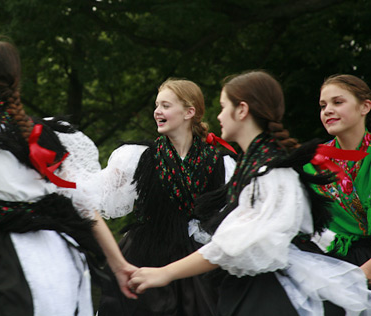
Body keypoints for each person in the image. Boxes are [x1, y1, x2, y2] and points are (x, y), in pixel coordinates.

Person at [127, 70, 371, 315]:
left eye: (223, 107)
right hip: (253, 290)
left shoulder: (271, 172)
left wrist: (165, 272)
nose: (219, 116)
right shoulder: (254, 167)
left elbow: (234, 245)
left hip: (268, 295)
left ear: (242, 110)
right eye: (323, 105)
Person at [0, 39, 136, 316]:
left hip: (5, 268)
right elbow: (84, 207)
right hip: (62, 262)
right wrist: (119, 266)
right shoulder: (43, 133)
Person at [97, 78, 236, 315]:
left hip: (194, 263)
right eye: (156, 105)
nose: (157, 111)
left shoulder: (220, 163)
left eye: (165, 105)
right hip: (144, 256)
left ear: (189, 112)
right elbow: (97, 195)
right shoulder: (136, 157)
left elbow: (231, 221)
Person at [303, 74, 371, 275]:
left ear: (365, 107)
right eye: (323, 106)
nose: (328, 110)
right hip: (328, 264)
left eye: (338, 102)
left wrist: (356, 279)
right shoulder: (311, 162)